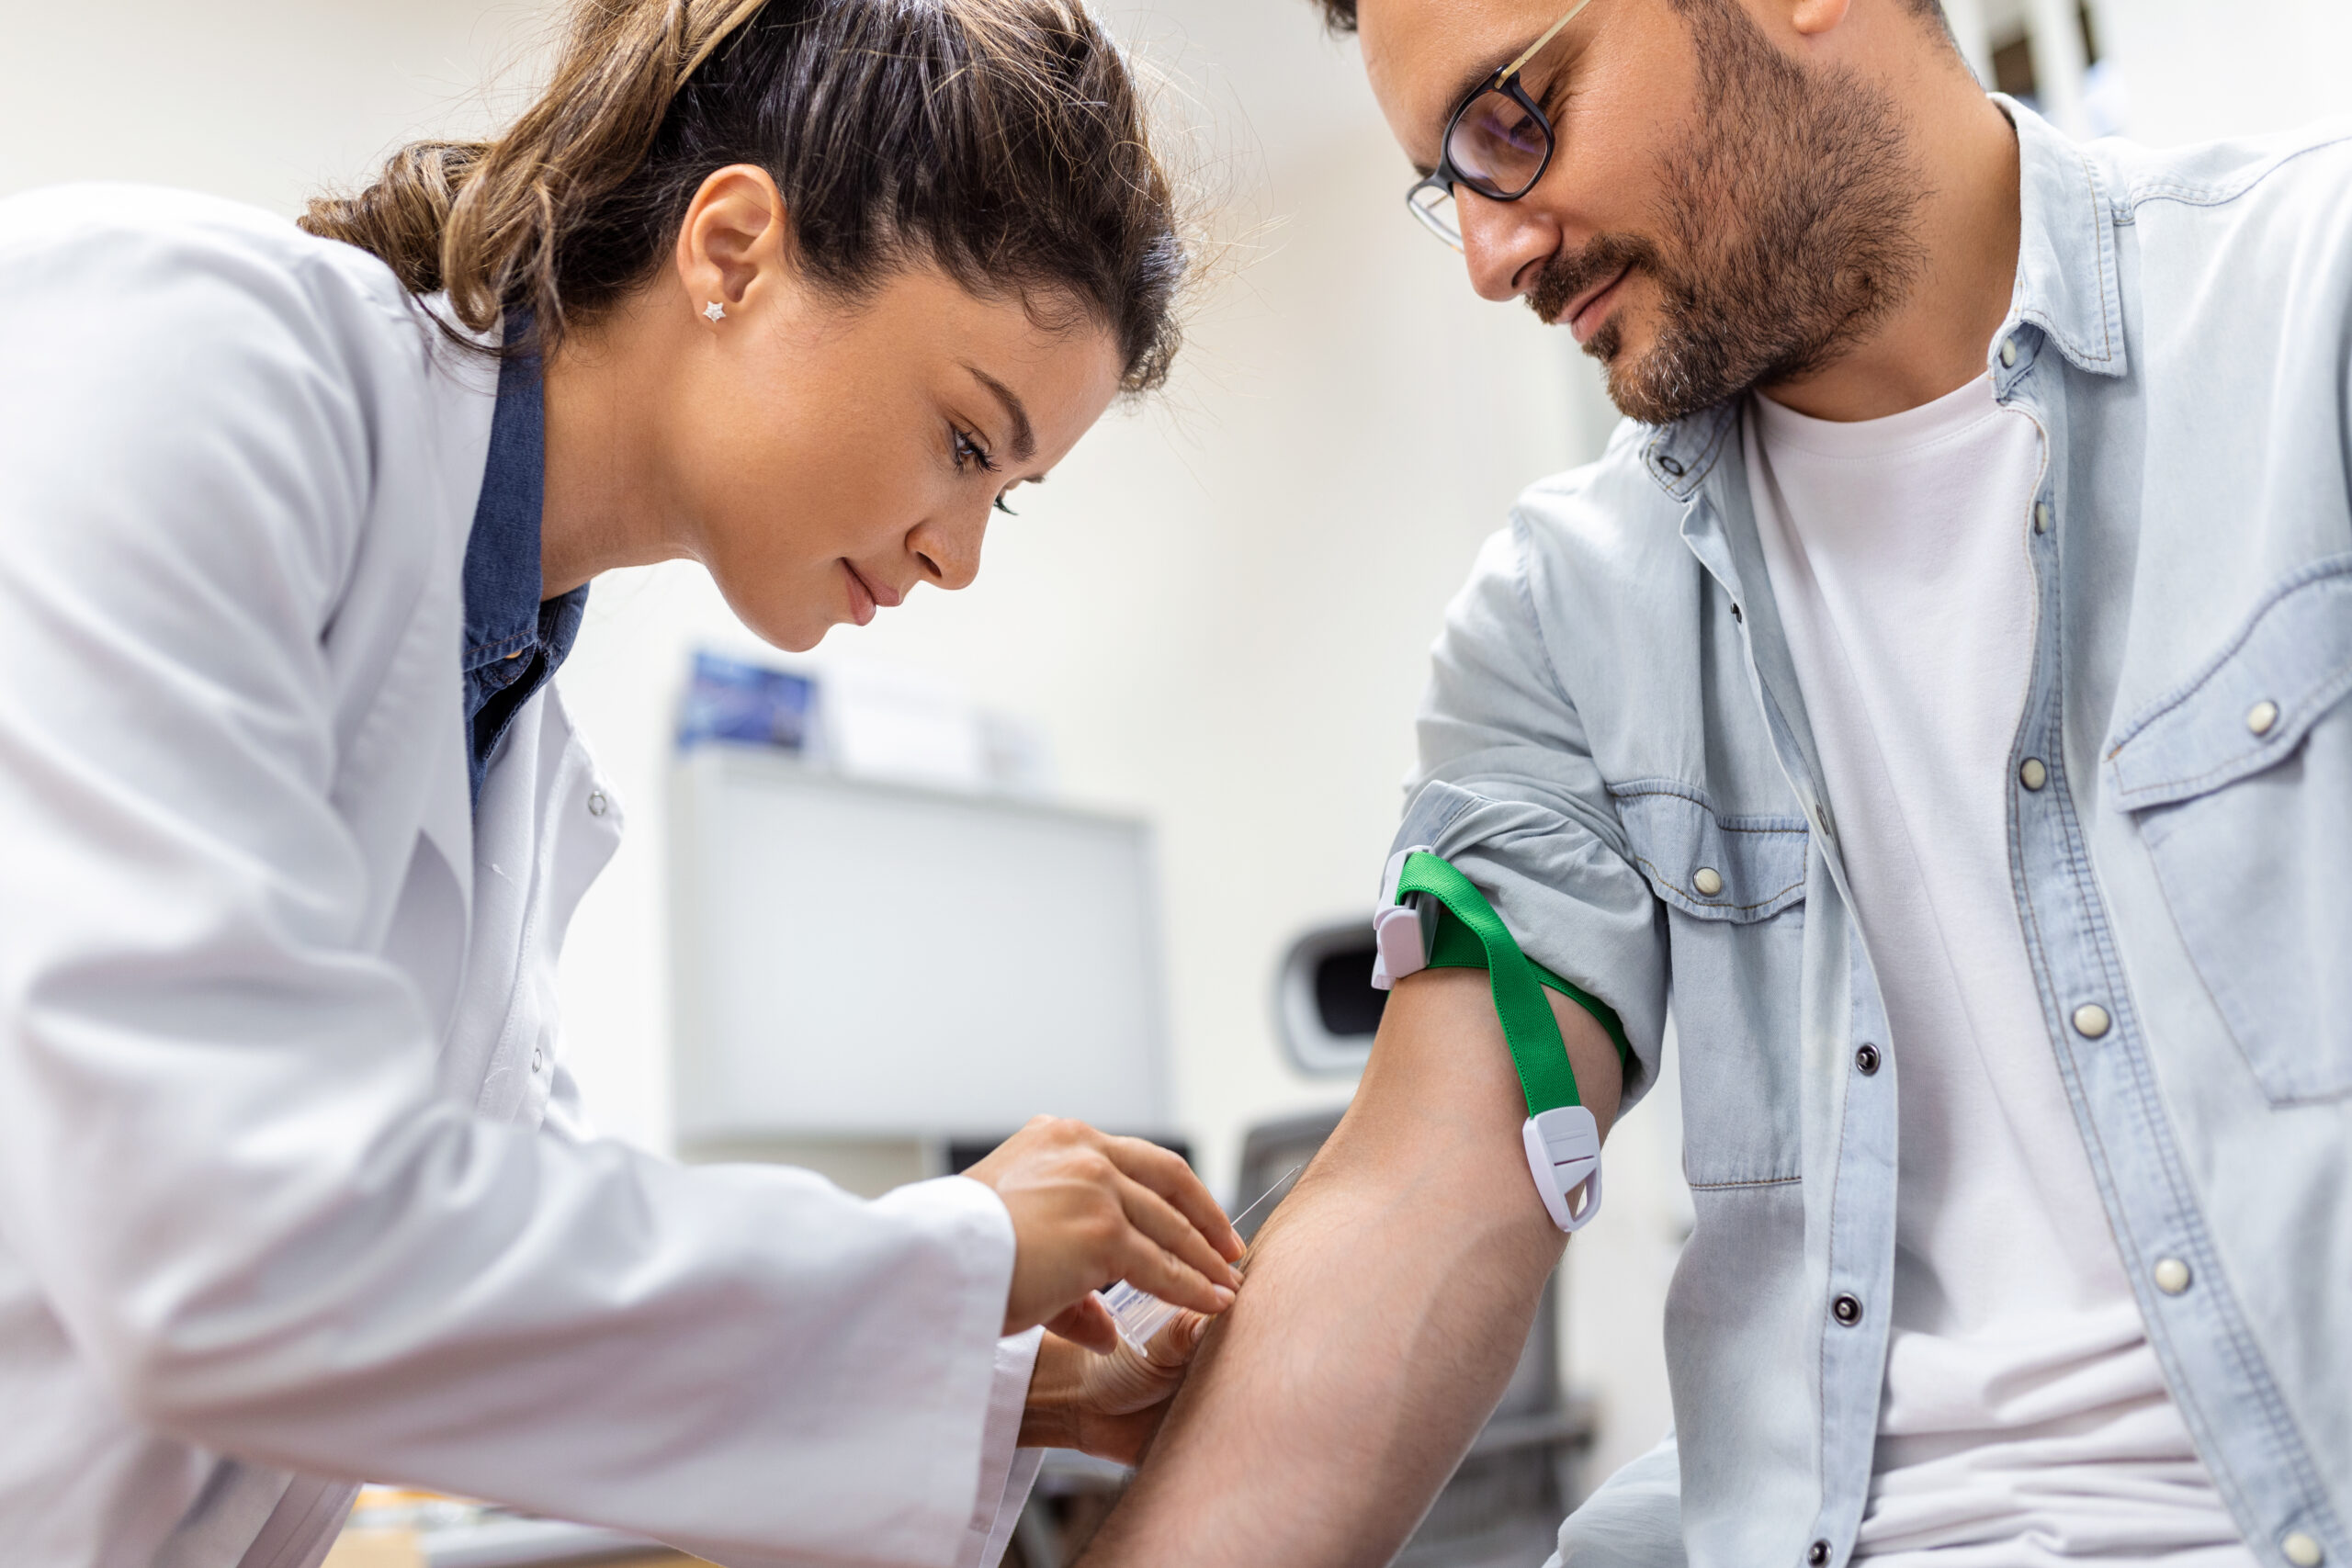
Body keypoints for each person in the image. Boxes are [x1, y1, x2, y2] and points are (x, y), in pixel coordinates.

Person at [1075, 0, 2352, 1564]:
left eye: (1511, 117)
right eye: (1446, 181)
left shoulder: (2309, 311)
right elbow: (1422, 1189)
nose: (1489, 253)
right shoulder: (1560, 621)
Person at [0, 2, 1247, 1564]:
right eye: (957, 438)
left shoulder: (506, 719)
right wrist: (954, 1255)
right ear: (734, 249)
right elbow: (229, 1248)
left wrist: (993, 1378)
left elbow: (475, 1280)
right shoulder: (182, 353)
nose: (959, 552)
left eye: (1009, 493)